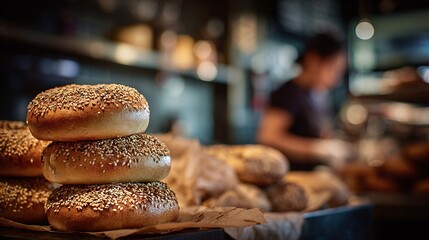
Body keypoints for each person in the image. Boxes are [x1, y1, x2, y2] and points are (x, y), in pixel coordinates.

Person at [257, 32, 352, 171]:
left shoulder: (318, 95)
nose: (336, 79)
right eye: (333, 69)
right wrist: (316, 149)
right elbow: (268, 137)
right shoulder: (289, 93)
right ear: (313, 60)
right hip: (289, 176)